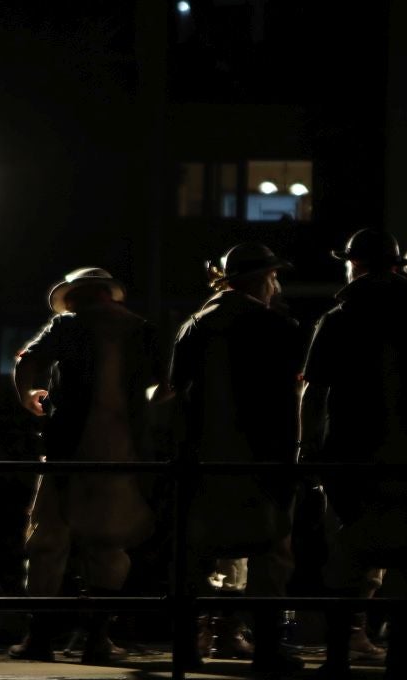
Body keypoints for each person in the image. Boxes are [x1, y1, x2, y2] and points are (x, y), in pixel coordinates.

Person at [301, 229, 407, 679]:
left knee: (347, 556)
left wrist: (307, 448)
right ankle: (402, 655)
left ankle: (336, 658)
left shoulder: (338, 318)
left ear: (355, 265)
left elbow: (314, 391)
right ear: (395, 266)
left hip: (350, 453)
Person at [165, 242, 306, 676]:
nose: (276, 284)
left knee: (193, 555)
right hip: (262, 457)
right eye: (273, 276)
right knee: (271, 553)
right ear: (260, 279)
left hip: (201, 460)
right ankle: (268, 646)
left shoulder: (195, 325)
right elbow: (291, 399)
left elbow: (174, 393)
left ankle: (186, 647)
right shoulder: (275, 326)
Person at [9, 266, 158, 664]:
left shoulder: (67, 325)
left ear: (76, 296)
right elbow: (165, 387)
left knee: (48, 543)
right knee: (108, 545)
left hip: (67, 450)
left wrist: (28, 396)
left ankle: (40, 637)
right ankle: (97, 639)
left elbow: (27, 361)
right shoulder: (139, 328)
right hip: (120, 449)